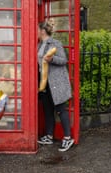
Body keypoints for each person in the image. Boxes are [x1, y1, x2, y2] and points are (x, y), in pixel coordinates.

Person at [37, 20, 74, 152]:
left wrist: (51, 59)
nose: (36, 32)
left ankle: (68, 137)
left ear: (42, 31)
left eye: (37, 29)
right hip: (44, 82)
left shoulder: (55, 43)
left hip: (56, 83)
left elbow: (64, 60)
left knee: (60, 110)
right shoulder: (39, 44)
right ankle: (49, 135)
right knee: (47, 110)